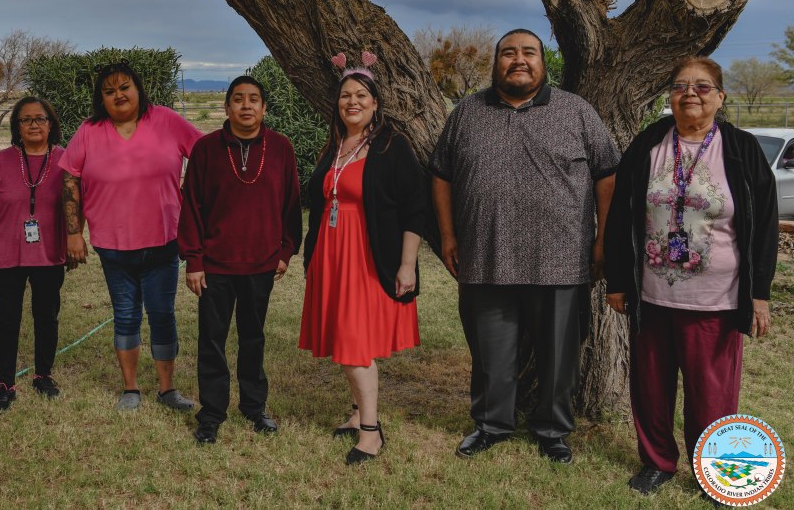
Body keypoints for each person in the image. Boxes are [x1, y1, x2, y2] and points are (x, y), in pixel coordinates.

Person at [430, 28, 618, 464]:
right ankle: (491, 425)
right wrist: (448, 235)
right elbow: (441, 174)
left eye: (529, 52)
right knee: (490, 354)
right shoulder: (467, 112)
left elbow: (607, 173)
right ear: (496, 63)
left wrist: (603, 238)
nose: (519, 59)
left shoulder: (576, 111)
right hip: (485, 256)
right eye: (509, 53)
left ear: (542, 63)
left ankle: (552, 431)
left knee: (558, 357)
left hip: (561, 259)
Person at [605, 56, 776, 497]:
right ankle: (657, 462)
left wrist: (759, 294)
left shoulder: (742, 149)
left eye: (702, 86)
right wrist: (618, 281)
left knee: (712, 393)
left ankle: (713, 473)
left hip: (717, 299)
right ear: (670, 96)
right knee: (651, 388)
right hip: (652, 295)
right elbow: (621, 214)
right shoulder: (649, 144)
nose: (690, 94)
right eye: (680, 86)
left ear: (720, 97)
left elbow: (764, 226)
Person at [299, 65, 426, 465]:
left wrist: (407, 265)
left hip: (368, 259)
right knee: (344, 339)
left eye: (360, 95)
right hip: (332, 257)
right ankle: (357, 413)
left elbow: (416, 208)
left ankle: (371, 432)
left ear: (375, 103)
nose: (351, 102)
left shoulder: (391, 146)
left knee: (354, 344)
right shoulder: (335, 144)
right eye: (345, 95)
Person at [60, 62, 203, 411]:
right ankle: (131, 388)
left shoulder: (166, 120)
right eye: (109, 91)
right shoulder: (89, 130)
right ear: (101, 99)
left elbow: (205, 155)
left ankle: (167, 389)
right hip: (113, 247)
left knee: (162, 314)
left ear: (138, 88)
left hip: (163, 243)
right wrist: (74, 232)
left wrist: (191, 196)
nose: (118, 95)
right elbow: (70, 179)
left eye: (125, 87)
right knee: (125, 315)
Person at [179, 76, 302, 444]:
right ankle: (212, 414)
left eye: (253, 99)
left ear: (264, 108)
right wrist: (193, 260)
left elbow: (291, 203)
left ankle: (254, 407)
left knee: (253, 338)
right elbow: (191, 207)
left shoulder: (280, 148)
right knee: (211, 340)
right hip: (214, 265)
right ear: (227, 107)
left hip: (262, 263)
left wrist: (285, 251)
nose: (246, 106)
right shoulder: (206, 149)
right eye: (238, 99)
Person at [0, 97, 68, 411]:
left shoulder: (64, 160)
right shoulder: (1, 161)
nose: (33, 125)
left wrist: (74, 239)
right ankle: (4, 383)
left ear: (50, 123)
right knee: (6, 319)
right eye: (26, 120)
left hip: (49, 254)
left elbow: (76, 203)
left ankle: (43, 375)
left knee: (47, 316)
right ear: (16, 126)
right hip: (7, 253)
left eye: (40, 118)